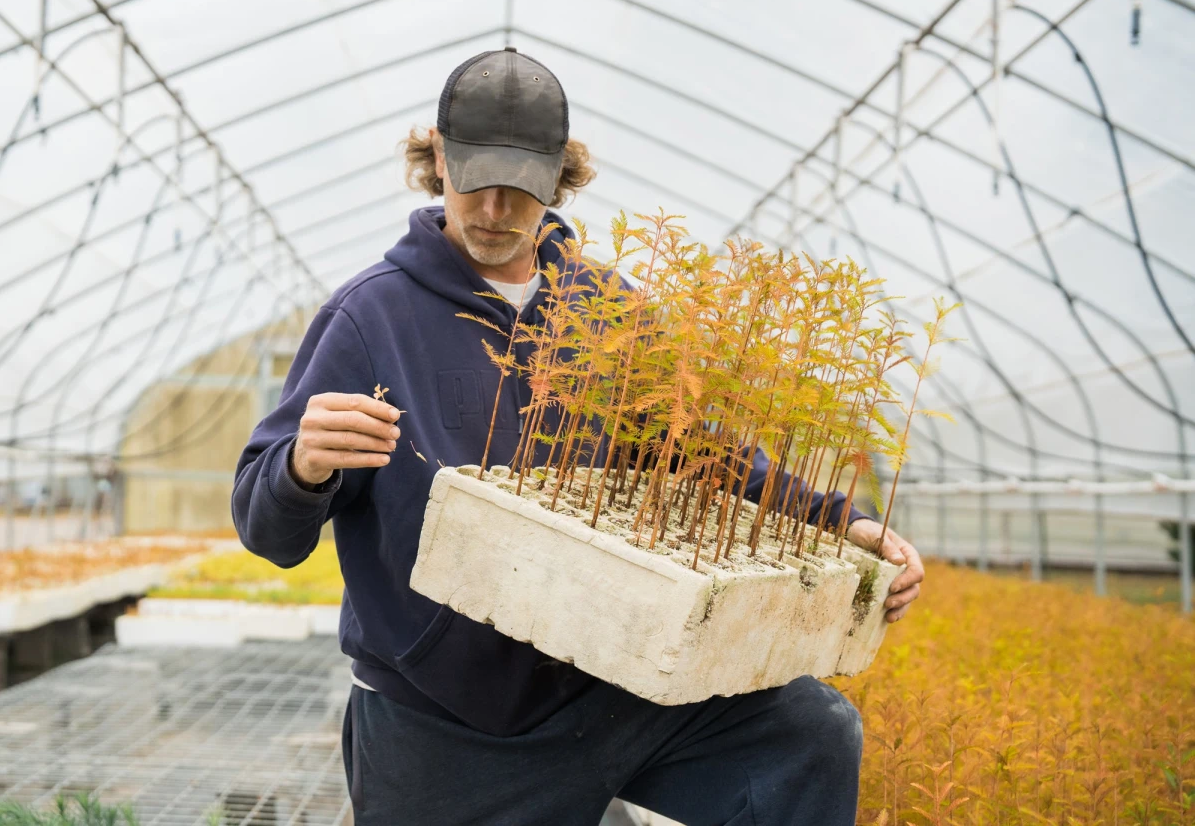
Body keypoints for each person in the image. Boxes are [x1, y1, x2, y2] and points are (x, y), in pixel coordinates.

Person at [233, 48, 926, 825]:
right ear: (436, 163)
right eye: (475, 180)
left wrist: (845, 523)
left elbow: (709, 459)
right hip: (443, 717)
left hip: (609, 679)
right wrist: (300, 469)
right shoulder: (370, 319)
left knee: (809, 734)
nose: (494, 209)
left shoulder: (613, 313)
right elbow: (267, 532)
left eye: (520, 187)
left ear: (560, 178)